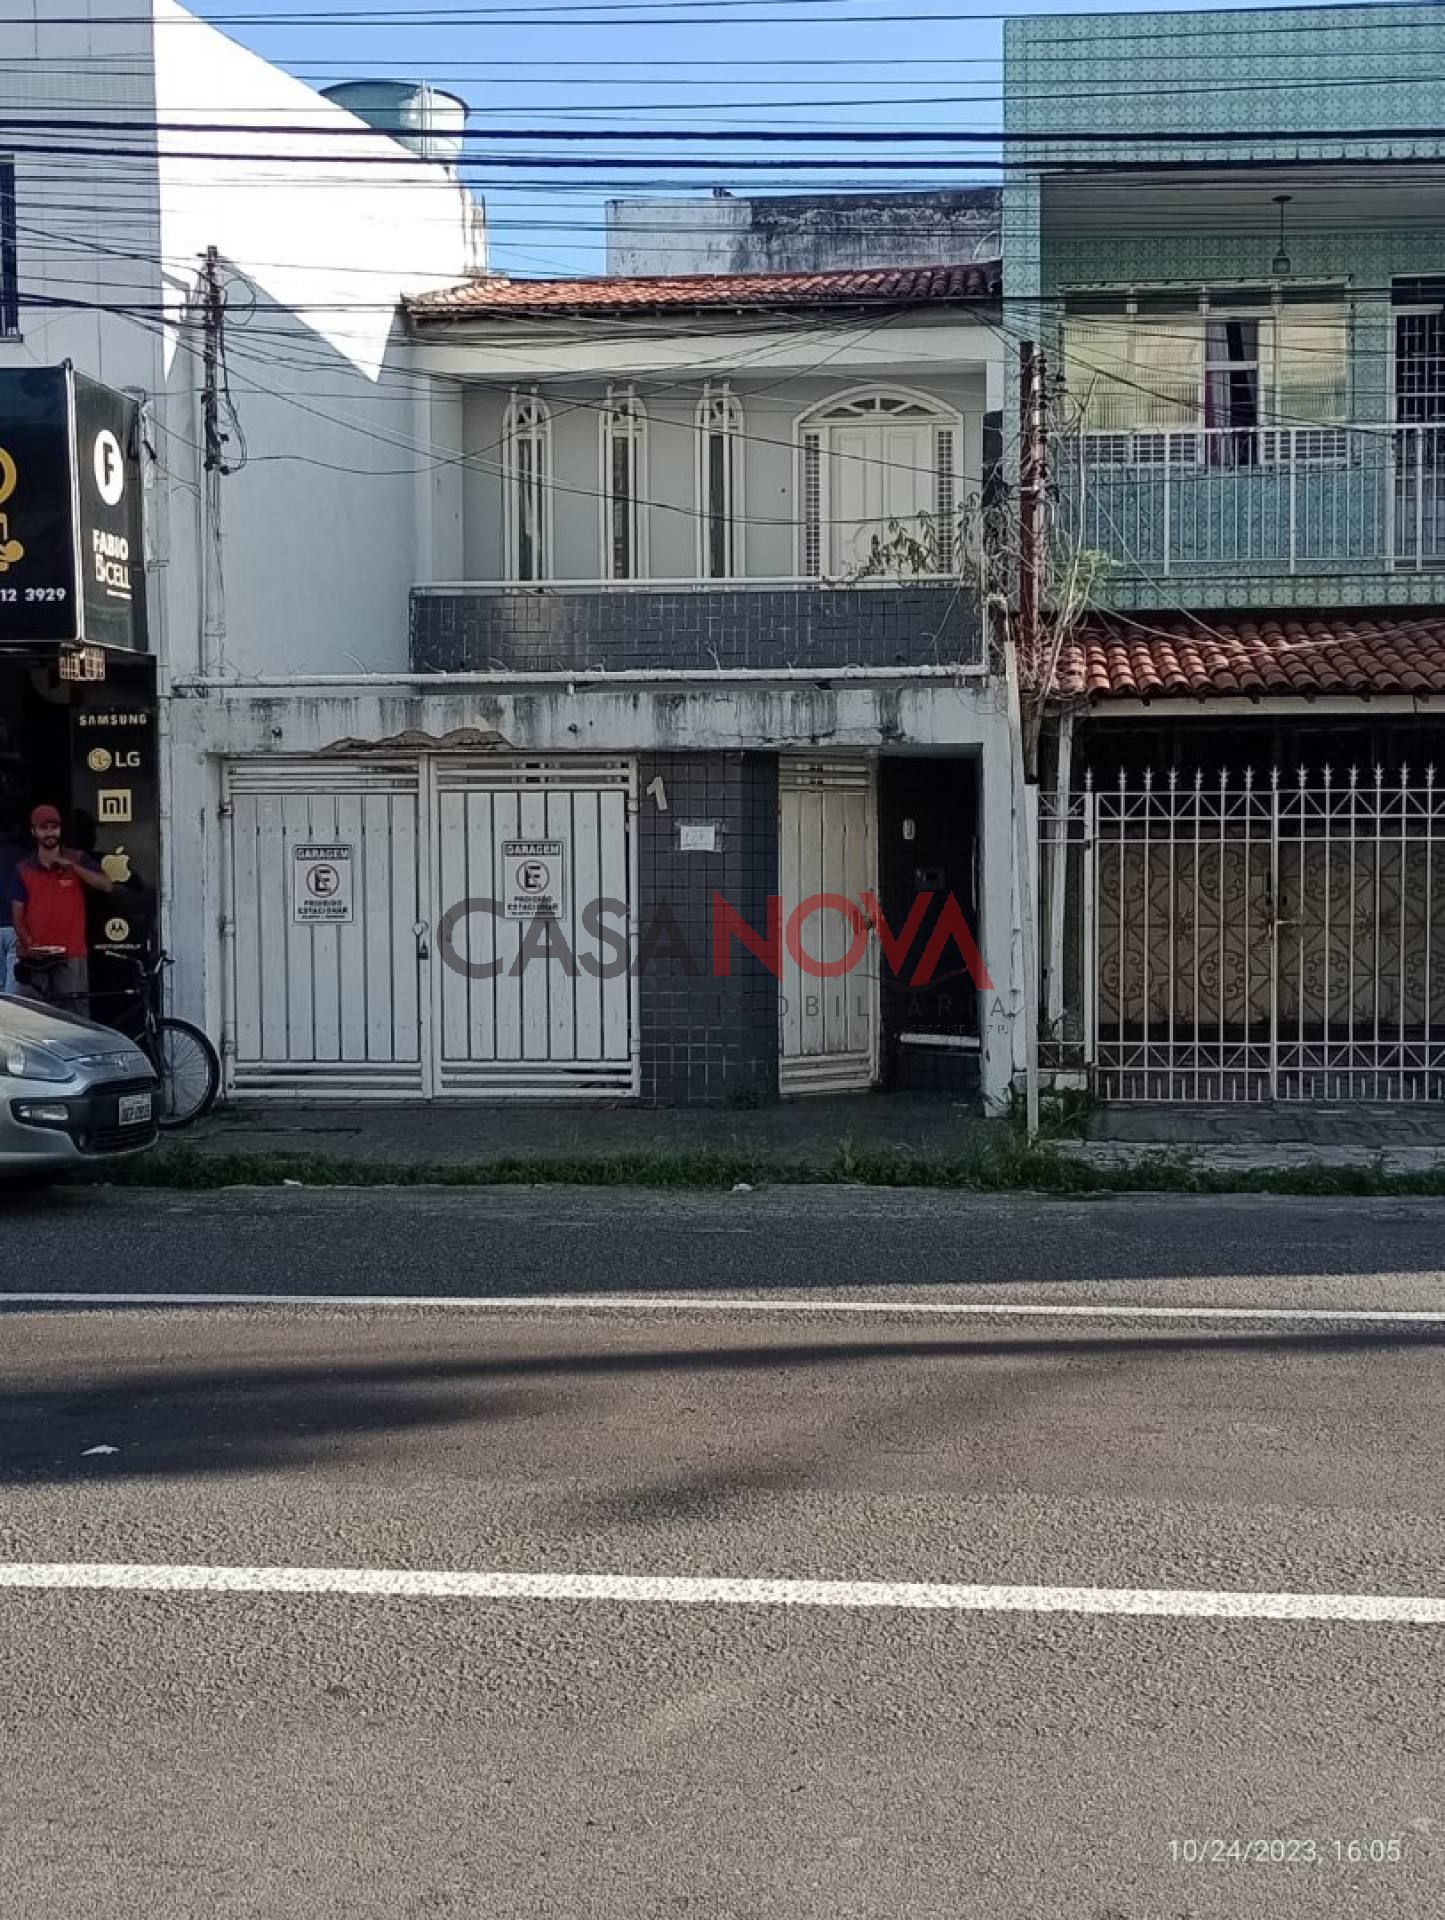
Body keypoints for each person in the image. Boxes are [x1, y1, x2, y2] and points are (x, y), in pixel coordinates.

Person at [10, 803, 113, 1018]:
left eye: (54, 827)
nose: (50, 832)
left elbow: (106, 885)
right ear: (33, 831)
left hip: (71, 955)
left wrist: (72, 867)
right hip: (36, 959)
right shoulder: (23, 868)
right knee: (34, 1020)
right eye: (43, 827)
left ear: (61, 830)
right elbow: (18, 915)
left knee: (75, 1021)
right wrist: (29, 945)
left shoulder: (77, 858)